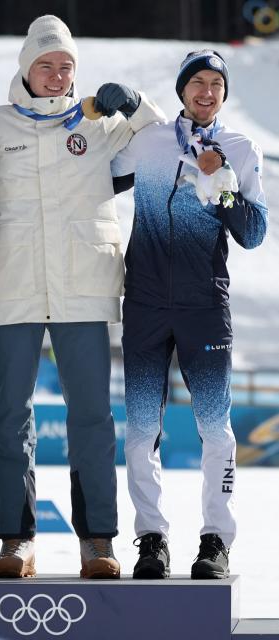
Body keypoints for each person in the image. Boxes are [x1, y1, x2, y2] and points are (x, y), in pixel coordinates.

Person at [0, 15, 166, 579]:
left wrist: (138, 103)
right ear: (26, 69)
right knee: (9, 418)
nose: (57, 76)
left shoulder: (98, 122)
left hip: (83, 287)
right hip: (12, 287)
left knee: (93, 418)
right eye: (46, 66)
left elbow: (161, 145)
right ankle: (15, 541)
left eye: (66, 67)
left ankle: (98, 539)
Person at [111, 50, 268, 579]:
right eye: (196, 82)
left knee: (215, 429)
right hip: (147, 304)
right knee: (140, 429)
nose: (205, 91)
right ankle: (151, 538)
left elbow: (253, 233)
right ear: (181, 90)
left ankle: (214, 541)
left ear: (224, 94)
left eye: (215, 84)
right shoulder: (151, 141)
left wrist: (221, 183)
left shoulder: (242, 149)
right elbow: (97, 181)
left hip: (205, 306)